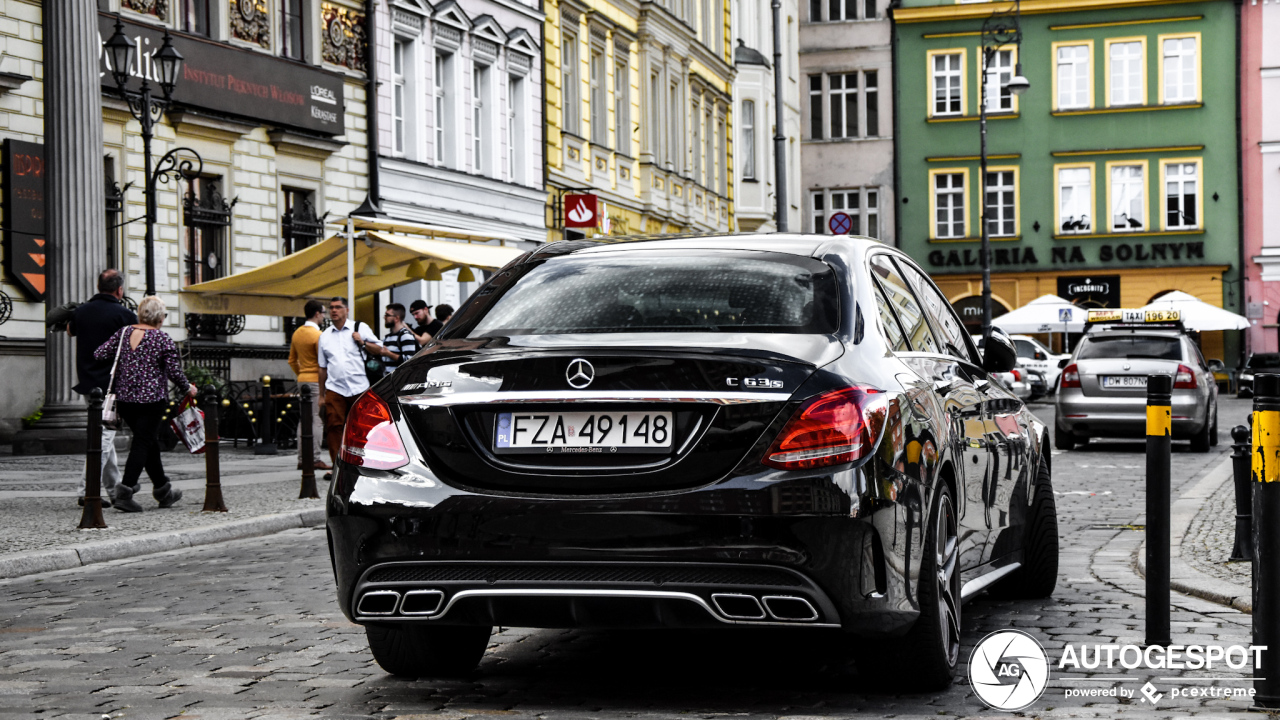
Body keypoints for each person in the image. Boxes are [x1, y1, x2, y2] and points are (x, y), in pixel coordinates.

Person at [94, 296, 196, 513]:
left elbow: (99, 353)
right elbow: (174, 372)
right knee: (142, 443)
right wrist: (188, 388)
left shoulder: (123, 333)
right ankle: (125, 491)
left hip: (125, 400)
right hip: (151, 400)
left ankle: (163, 491)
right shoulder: (161, 338)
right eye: (164, 315)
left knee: (148, 443)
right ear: (159, 317)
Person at [68, 269, 138, 508]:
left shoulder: (81, 312)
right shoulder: (125, 315)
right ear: (119, 289)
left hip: (89, 383)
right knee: (104, 438)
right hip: (113, 386)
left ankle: (112, 490)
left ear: (99, 286)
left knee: (104, 436)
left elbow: (70, 330)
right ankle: (87, 491)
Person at [317, 297, 381, 468]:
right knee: (334, 426)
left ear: (347, 310)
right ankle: (338, 465)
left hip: (360, 386)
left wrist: (363, 341)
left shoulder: (360, 328)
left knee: (362, 427)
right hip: (335, 388)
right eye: (331, 308)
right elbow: (322, 368)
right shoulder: (324, 336)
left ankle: (362, 462)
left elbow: (379, 349)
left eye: (338, 307)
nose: (334, 311)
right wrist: (321, 395)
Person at [287, 300, 329, 471]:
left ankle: (302, 458)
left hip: (302, 379)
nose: (324, 316)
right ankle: (314, 458)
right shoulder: (319, 335)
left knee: (303, 420)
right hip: (315, 380)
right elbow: (323, 363)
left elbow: (291, 360)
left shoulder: (297, 333)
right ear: (317, 314)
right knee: (317, 420)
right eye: (324, 313)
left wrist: (301, 374)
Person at [371, 303, 419, 376]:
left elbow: (409, 361)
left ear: (396, 318)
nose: (384, 317)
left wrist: (388, 354)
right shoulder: (387, 338)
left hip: (401, 382)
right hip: (389, 381)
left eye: (387, 315)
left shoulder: (405, 336)